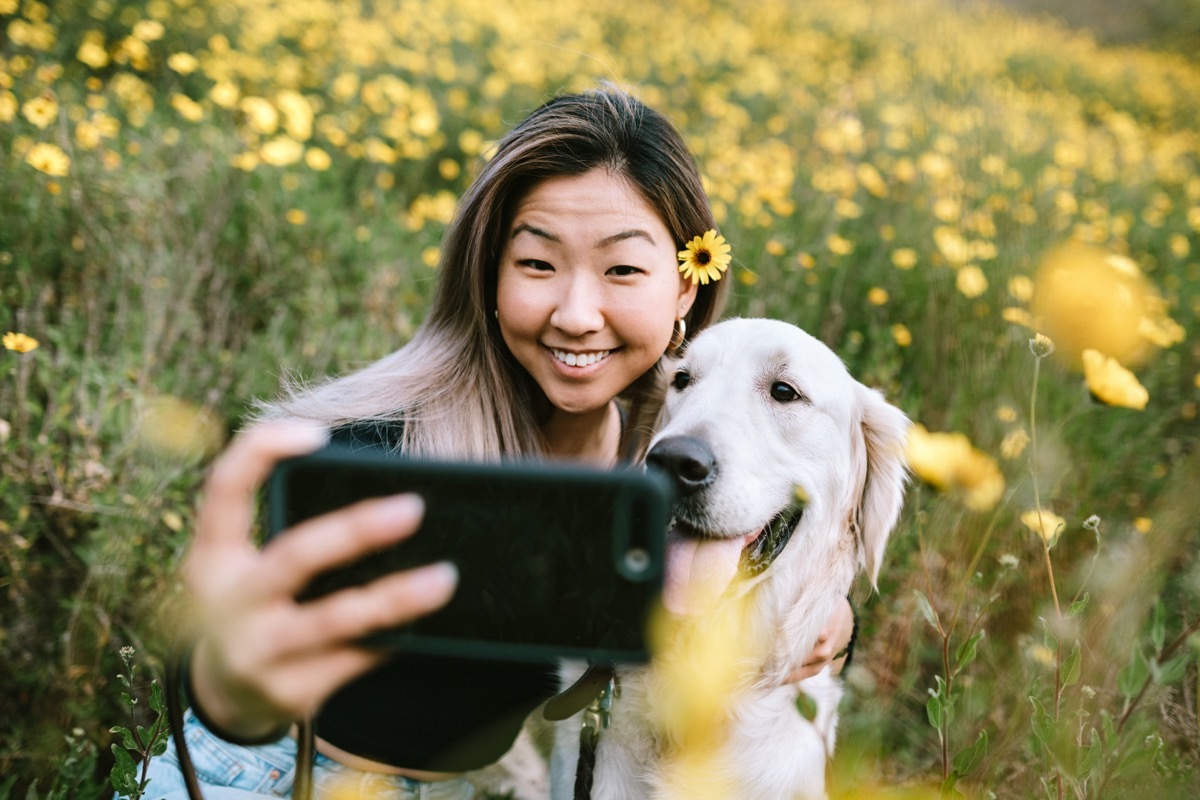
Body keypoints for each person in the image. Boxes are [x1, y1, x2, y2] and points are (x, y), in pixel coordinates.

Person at [145, 87, 855, 800]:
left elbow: (717, 588)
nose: (577, 316)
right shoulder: (385, 453)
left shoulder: (666, 446)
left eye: (622, 270)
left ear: (685, 291)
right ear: (488, 276)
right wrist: (231, 684)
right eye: (537, 265)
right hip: (269, 776)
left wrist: (833, 620)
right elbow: (242, 672)